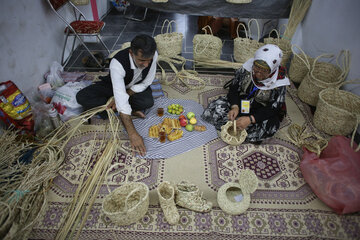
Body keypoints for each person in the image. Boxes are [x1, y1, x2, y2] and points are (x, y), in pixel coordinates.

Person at [76, 34, 158, 156]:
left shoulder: (153, 55)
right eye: (142, 60)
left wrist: (124, 95)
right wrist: (133, 134)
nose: (146, 64)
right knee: (82, 97)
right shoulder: (117, 63)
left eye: (149, 60)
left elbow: (146, 82)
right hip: (113, 85)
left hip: (133, 87)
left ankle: (121, 108)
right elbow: (120, 95)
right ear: (131, 53)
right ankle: (122, 108)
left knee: (148, 102)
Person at [202, 44, 290, 143]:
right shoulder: (247, 68)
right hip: (242, 102)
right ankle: (239, 124)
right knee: (214, 109)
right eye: (256, 67)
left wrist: (250, 119)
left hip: (260, 111)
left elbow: (273, 108)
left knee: (270, 127)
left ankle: (240, 126)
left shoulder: (279, 83)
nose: (258, 73)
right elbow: (234, 88)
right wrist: (234, 106)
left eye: (264, 70)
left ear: (272, 69)